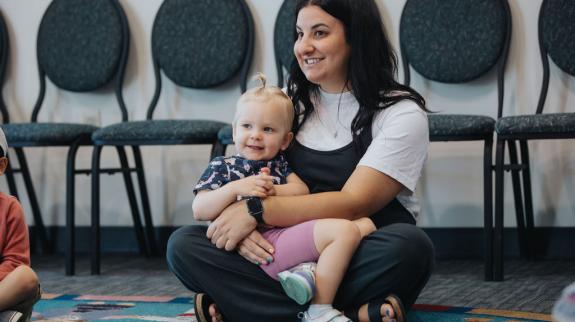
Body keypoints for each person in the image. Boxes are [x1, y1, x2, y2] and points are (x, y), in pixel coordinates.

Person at [167, 0, 434, 321]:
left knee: (409, 248)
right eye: (299, 34)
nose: (303, 46)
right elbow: (245, 168)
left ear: (356, 37)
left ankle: (249, 307)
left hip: (360, 243)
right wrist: (241, 234)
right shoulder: (289, 101)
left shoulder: (400, 113)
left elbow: (354, 203)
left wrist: (255, 212)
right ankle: (345, 312)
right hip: (285, 245)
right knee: (183, 245)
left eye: (319, 33)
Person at [192, 74, 376, 322]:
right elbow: (200, 209)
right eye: (247, 126)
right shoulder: (223, 166)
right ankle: (319, 309)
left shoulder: (279, 165)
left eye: (267, 129)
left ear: (285, 141)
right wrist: (236, 189)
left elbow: (300, 191)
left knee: (366, 224)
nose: (256, 135)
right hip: (265, 242)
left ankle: (303, 276)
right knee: (344, 231)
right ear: (234, 131)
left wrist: (272, 191)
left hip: (287, 233)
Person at [0, 127, 41, 322]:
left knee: (26, 277)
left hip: (2, 289)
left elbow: (16, 263)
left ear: (1, 166)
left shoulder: (10, 207)